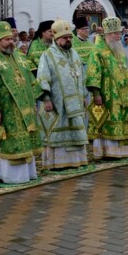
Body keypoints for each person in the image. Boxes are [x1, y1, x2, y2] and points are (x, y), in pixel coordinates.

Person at [0, 21, 39, 184]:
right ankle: (8, 175)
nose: (11, 42)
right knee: (7, 142)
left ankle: (26, 174)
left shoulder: (18, 57)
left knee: (24, 141)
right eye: (7, 39)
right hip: (4, 109)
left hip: (23, 109)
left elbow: (30, 81)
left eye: (12, 38)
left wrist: (34, 104)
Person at [36, 19, 89, 169]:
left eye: (70, 37)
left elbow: (82, 77)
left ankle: (76, 160)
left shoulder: (74, 54)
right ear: (56, 38)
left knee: (76, 130)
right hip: (58, 103)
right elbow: (42, 77)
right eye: (65, 37)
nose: (68, 40)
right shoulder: (48, 56)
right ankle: (57, 162)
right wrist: (46, 99)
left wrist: (84, 95)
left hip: (76, 102)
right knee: (58, 131)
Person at [86, 17, 128, 159]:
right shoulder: (97, 50)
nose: (118, 36)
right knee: (108, 120)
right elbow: (93, 72)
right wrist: (96, 93)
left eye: (119, 33)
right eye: (115, 33)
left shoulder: (118, 50)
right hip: (107, 93)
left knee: (124, 119)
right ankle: (108, 151)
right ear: (107, 34)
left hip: (124, 93)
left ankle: (124, 150)